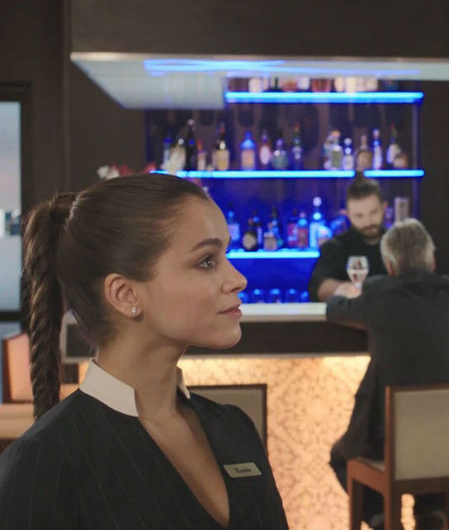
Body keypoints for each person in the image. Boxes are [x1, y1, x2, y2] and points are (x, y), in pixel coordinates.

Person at [0, 173, 288, 528]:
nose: (238, 279)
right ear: (125, 294)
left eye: (225, 255)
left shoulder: (235, 427)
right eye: (206, 261)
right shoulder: (42, 460)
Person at [326, 218, 449, 530]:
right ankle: (430, 514)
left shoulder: (377, 292)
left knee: (341, 457)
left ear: (389, 265)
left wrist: (342, 292)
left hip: (387, 440)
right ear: (432, 260)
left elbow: (335, 310)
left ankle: (382, 520)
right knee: (431, 450)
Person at [308, 174, 388, 301]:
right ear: (347, 214)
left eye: (373, 212)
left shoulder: (399, 244)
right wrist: (344, 289)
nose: (367, 222)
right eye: (359, 216)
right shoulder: (335, 247)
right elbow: (318, 287)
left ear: (384, 208)